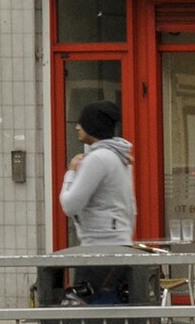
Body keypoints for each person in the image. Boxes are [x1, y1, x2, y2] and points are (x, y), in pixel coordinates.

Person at [59, 103, 137, 293]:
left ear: (92, 125)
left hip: (99, 248)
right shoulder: (119, 158)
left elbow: (70, 205)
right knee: (113, 309)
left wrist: (70, 173)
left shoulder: (97, 159)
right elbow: (131, 206)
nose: (77, 127)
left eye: (81, 123)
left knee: (93, 310)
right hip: (119, 243)